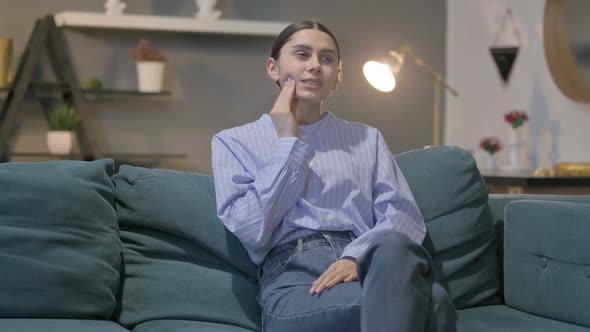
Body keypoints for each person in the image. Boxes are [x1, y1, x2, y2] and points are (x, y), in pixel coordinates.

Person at [211, 20, 456, 332]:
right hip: (295, 281)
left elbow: (403, 215)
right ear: (273, 68)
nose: (315, 65)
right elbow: (252, 229)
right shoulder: (233, 142)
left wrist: (356, 257)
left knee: (399, 252)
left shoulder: (368, 139)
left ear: (338, 77)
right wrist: (288, 143)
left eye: (327, 59)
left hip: (368, 267)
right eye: (302, 55)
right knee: (432, 303)